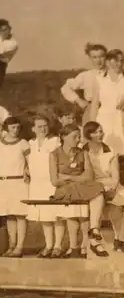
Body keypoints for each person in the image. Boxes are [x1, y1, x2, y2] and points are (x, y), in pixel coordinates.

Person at [50, 124, 108, 257]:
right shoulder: (54, 155)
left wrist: (68, 177)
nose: (78, 139)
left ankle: (94, 229)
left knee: (98, 188)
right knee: (92, 191)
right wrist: (78, 178)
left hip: (80, 187)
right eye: (74, 137)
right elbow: (55, 181)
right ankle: (79, 244)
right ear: (63, 137)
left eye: (79, 136)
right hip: (65, 190)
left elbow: (89, 176)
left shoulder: (83, 153)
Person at [26, 115, 65, 258]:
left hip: (52, 183)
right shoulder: (30, 143)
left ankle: (58, 246)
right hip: (37, 183)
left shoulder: (55, 141)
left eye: (45, 126)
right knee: (44, 217)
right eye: (39, 126)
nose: (43, 129)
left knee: (57, 215)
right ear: (33, 129)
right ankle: (48, 246)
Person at [83, 122, 124, 253]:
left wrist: (111, 187)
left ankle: (120, 239)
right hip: (91, 186)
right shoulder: (82, 151)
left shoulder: (110, 151)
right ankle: (94, 230)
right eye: (95, 132)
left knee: (117, 205)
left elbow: (115, 177)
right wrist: (100, 187)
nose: (99, 134)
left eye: (100, 131)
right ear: (88, 135)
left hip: (110, 184)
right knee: (97, 195)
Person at [0, 117, 30, 258]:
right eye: (13, 127)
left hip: (18, 182)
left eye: (18, 127)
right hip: (2, 182)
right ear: (6, 128)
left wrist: (27, 170)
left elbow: (30, 163)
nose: (16, 130)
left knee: (20, 215)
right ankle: (12, 245)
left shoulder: (23, 143)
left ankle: (20, 247)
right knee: (9, 215)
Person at [60, 43, 108, 125]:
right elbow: (65, 88)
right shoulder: (86, 76)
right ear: (90, 58)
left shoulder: (114, 74)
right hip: (91, 110)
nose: (98, 60)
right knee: (90, 135)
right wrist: (79, 100)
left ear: (106, 57)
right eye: (94, 57)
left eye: (101, 56)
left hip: (111, 110)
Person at [87, 49, 124, 154]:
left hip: (121, 119)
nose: (119, 63)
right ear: (107, 62)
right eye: (116, 60)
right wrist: (91, 127)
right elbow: (94, 105)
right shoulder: (100, 80)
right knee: (106, 153)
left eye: (122, 60)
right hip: (104, 120)